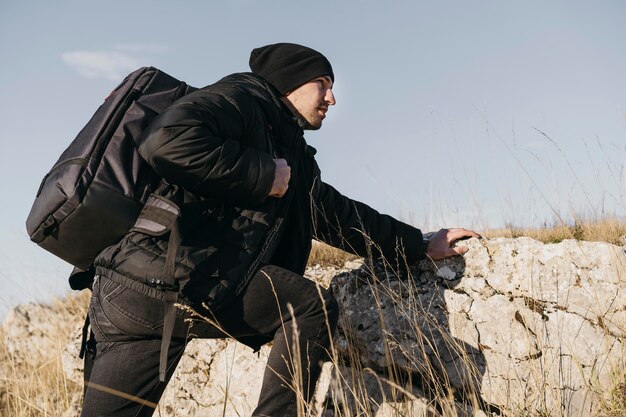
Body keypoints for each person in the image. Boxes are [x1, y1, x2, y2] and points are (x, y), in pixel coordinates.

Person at [80, 42, 480, 417]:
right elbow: (166, 141)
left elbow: (336, 216)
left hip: (134, 291)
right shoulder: (240, 98)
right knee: (308, 306)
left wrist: (419, 244)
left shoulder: (287, 144)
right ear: (290, 82)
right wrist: (263, 174)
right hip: (167, 282)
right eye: (322, 84)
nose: (331, 99)